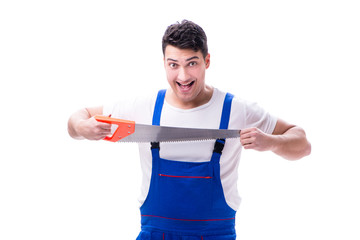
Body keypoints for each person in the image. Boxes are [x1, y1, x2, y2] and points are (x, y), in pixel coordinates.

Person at [68, 20, 311, 240]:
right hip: (155, 235)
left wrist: (271, 142)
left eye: (191, 63)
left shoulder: (237, 109)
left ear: (207, 61)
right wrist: (81, 127)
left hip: (216, 235)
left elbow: (302, 144)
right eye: (173, 65)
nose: (182, 76)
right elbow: (77, 119)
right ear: (164, 63)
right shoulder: (145, 106)